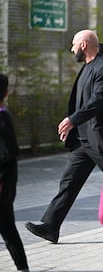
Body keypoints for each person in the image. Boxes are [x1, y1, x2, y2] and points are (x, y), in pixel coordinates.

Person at [25, 30, 103, 243]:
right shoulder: (86, 68)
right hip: (83, 140)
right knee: (68, 183)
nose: (71, 49)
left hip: (101, 139)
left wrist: (73, 119)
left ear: (83, 45)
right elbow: (81, 103)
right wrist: (73, 125)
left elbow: (98, 100)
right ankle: (51, 227)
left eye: (73, 45)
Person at [0, 73, 30, 272]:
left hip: (2, 187)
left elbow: (8, 153)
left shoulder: (2, 117)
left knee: (8, 230)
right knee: (8, 230)